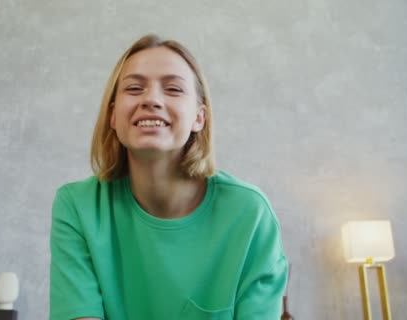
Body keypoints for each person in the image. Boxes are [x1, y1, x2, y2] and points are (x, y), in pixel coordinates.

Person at [50, 34, 288, 320]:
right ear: (113, 116)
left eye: (173, 89)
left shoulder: (250, 214)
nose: (151, 99)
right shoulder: (77, 207)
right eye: (134, 88)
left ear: (199, 117)